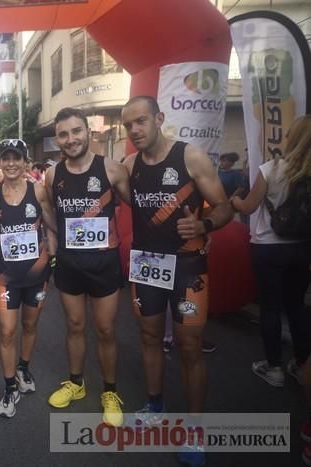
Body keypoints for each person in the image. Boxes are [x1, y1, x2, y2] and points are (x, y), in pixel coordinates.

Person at [121, 96, 233, 467]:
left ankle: (194, 428)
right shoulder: (129, 165)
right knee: (150, 337)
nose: (135, 130)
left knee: (189, 347)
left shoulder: (190, 157)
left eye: (141, 121)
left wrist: (204, 224)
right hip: (148, 264)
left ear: (159, 119)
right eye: (128, 125)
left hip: (188, 267)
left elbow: (224, 206)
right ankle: (154, 406)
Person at [44, 108, 131, 427]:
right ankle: (76, 384)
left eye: (76, 131)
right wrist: (57, 243)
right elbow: (50, 213)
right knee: (75, 326)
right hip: (69, 264)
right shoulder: (52, 175)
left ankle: (110, 392)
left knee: (107, 330)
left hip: (104, 263)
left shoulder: (112, 169)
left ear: (88, 131)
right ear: (58, 139)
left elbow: (138, 205)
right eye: (64, 134)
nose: (71, 139)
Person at [231, 115, 311, 389]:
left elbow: (249, 207)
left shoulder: (271, 169)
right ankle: (303, 365)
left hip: (268, 248)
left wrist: (235, 200)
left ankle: (274, 366)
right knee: (297, 307)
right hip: (302, 249)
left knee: (271, 307)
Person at [0, 138, 57, 418]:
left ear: (26, 162)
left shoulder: (38, 192)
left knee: (30, 325)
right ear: (0, 162)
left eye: (17, 158)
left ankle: (23, 368)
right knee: (6, 331)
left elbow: (51, 225)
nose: (11, 163)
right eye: (6, 158)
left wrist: (57, 254)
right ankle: (8, 386)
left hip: (38, 274)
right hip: (6, 276)